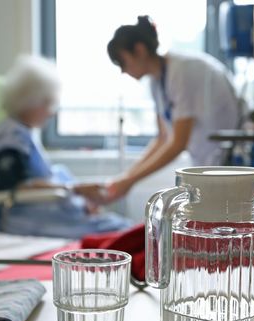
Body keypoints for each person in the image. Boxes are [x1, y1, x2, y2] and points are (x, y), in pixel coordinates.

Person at [0, 55, 131, 239]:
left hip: (42, 213)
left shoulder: (22, 133)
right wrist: (75, 190)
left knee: (123, 230)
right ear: (29, 102)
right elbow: (15, 187)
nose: (51, 112)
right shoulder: (8, 137)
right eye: (47, 103)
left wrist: (79, 199)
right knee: (122, 233)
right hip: (22, 219)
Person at [103, 16, 244, 202]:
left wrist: (130, 181)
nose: (123, 70)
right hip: (208, 162)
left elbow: (178, 143)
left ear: (139, 50)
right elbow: (163, 138)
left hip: (230, 160)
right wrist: (125, 178)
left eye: (122, 62)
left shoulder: (182, 70)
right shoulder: (157, 81)